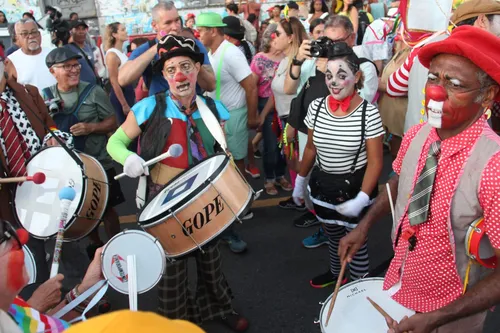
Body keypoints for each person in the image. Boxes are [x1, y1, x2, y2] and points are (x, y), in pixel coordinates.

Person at [339, 26, 500, 333]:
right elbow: (399, 181)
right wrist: (365, 225)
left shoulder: (494, 167)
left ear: (487, 95)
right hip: (403, 284)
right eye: (433, 78)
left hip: (453, 313)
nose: (436, 93)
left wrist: (437, 318)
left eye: (454, 84)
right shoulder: (417, 134)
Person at [106, 34, 249, 332]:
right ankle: (175, 322)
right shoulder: (148, 107)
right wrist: (127, 159)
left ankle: (219, 308)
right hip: (163, 199)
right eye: (171, 70)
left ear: (198, 69)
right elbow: (115, 143)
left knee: (211, 260)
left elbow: (220, 151)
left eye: (186, 66)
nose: (180, 75)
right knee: (173, 267)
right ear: (164, 75)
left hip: (205, 198)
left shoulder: (213, 108)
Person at [285, 15, 380, 259]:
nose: (333, 82)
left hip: (354, 182)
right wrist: (300, 182)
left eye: (341, 75)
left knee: (356, 250)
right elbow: (310, 149)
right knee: (334, 242)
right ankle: (335, 267)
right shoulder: (316, 101)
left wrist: (362, 197)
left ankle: (355, 284)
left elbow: (376, 160)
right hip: (322, 184)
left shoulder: (367, 106)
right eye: (329, 75)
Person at [45, 47, 123, 265]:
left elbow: (112, 122)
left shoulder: (94, 91)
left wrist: (91, 127)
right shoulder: (45, 96)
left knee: (108, 208)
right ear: (53, 71)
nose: (74, 69)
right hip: (70, 167)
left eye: (76, 65)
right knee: (83, 210)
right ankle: (95, 245)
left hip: (99, 163)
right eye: (67, 66)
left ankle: (116, 244)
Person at [197, 12, 257, 253]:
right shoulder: (213, 53)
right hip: (222, 116)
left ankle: (244, 206)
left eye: (201, 30)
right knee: (228, 161)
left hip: (235, 115)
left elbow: (250, 85)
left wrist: (252, 117)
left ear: (213, 31)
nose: (198, 34)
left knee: (237, 160)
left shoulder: (230, 52)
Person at [0, 218, 107, 332]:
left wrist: (87, 289)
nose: (21, 239)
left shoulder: (9, 304)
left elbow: (46, 325)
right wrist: (35, 305)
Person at [118, 1, 215, 96]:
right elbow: (123, 80)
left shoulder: (194, 44)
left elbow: (211, 86)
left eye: (177, 20)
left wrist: (190, 54)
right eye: (168, 23)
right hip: (160, 109)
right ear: (154, 25)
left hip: (192, 108)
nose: (175, 27)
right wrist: (159, 46)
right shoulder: (146, 49)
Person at [258, 17, 306, 202]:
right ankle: (298, 197)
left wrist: (291, 124)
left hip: (294, 120)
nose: (272, 37)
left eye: (278, 33)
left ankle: (303, 200)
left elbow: (289, 90)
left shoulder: (297, 62)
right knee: (291, 159)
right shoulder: (286, 61)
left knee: (297, 160)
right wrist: (264, 115)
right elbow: (276, 93)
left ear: (291, 37)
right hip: (284, 118)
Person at [250, 23, 283, 195]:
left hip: (284, 105)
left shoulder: (288, 58)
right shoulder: (259, 58)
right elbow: (252, 87)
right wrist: (255, 113)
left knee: (284, 143)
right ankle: (269, 178)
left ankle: (280, 175)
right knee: (270, 145)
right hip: (266, 104)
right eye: (276, 36)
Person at [5, 19, 56, 93]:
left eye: (34, 32)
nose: (31, 36)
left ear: (39, 34)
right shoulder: (11, 61)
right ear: (17, 38)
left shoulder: (53, 53)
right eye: (25, 34)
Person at [105, 22, 135, 125]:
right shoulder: (112, 55)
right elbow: (113, 81)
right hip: (121, 94)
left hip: (128, 91)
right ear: (114, 34)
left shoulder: (120, 52)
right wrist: (124, 104)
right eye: (122, 30)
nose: (126, 31)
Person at [65, 20, 98, 85]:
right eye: (77, 29)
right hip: (80, 88)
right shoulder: (67, 49)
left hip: (94, 86)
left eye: (83, 29)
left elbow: (92, 66)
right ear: (71, 31)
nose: (81, 32)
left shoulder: (88, 47)